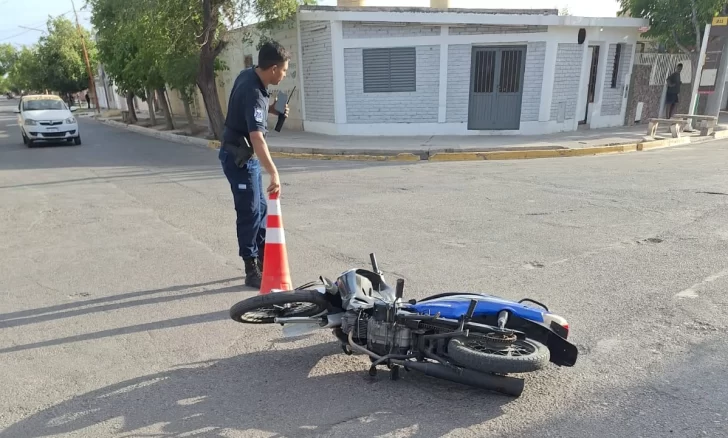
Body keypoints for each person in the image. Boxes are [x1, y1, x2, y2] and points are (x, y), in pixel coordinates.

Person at [219, 41, 290, 288]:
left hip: (243, 156)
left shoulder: (248, 75)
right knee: (249, 211)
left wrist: (270, 109)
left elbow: (247, 110)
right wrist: (274, 172)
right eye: (283, 70)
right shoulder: (254, 92)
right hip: (238, 158)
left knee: (259, 208)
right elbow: (257, 137)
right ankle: (251, 268)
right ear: (272, 68)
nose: (284, 74)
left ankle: (261, 259)